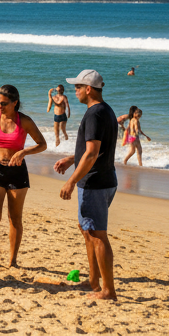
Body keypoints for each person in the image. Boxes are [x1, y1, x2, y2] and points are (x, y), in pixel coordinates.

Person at [52, 69, 119, 300]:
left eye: (78, 87)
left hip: (95, 182)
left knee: (97, 234)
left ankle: (108, 290)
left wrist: (71, 181)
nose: (75, 91)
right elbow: (96, 149)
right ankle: (93, 282)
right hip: (105, 179)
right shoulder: (106, 111)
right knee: (88, 230)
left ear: (89, 89)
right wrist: (72, 158)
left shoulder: (94, 113)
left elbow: (92, 154)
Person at [0, 85, 48, 268]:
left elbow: (42, 144)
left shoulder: (25, 121)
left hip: (17, 172)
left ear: (15, 103)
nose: (0, 106)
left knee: (14, 218)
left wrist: (24, 152)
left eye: (4, 103)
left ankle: (12, 261)